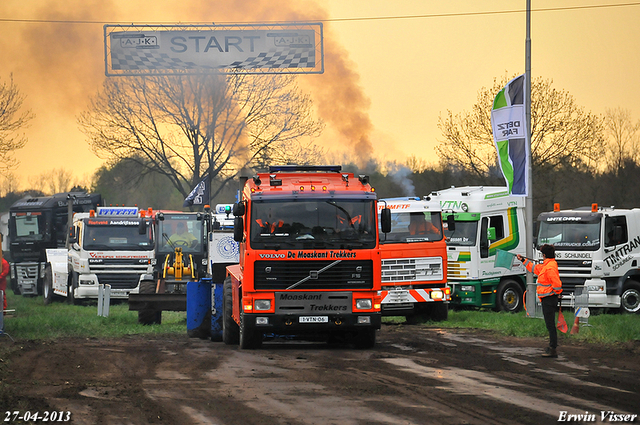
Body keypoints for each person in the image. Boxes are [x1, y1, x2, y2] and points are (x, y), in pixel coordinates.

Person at [517, 244, 563, 358]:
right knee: (550, 324)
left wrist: (556, 293)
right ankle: (552, 348)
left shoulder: (549, 267)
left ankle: (553, 349)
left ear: (544, 255)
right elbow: (534, 268)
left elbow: (557, 285)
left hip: (549, 299)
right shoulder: (547, 265)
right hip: (548, 299)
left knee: (550, 324)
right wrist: (523, 260)